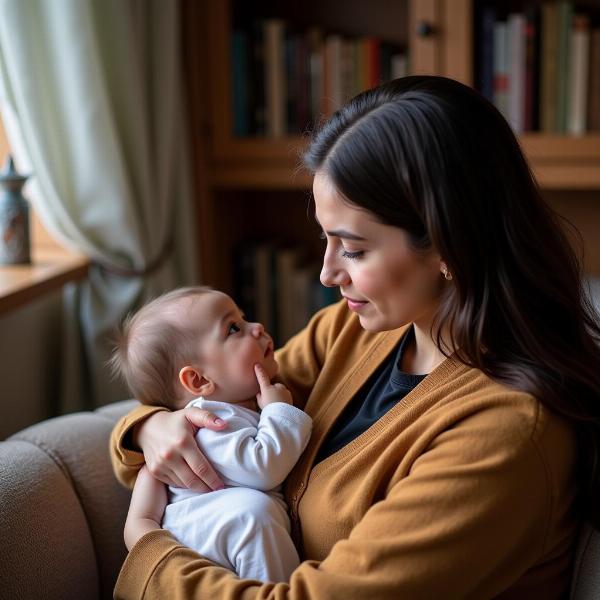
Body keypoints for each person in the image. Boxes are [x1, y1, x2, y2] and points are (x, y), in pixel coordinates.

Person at [111, 76, 600, 599]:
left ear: (447, 249)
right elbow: (206, 393)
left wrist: (147, 547)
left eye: (353, 249)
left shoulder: (502, 437)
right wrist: (152, 427)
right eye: (326, 237)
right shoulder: (352, 330)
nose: (326, 274)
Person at [109, 286, 312, 582]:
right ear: (198, 379)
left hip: (214, 542)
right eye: (234, 328)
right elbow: (264, 467)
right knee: (254, 515)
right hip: (196, 536)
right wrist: (279, 411)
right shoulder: (211, 420)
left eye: (243, 319)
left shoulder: (240, 409)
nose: (257, 327)